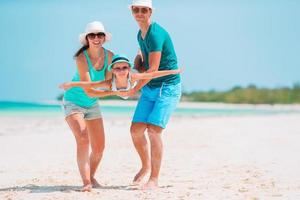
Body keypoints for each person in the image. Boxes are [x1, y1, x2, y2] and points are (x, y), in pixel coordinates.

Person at [123, 0, 182, 189]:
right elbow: (142, 57)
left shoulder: (156, 33)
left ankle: (154, 179)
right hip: (150, 87)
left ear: (150, 12)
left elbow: (154, 69)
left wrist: (133, 88)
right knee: (135, 130)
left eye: (144, 10)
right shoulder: (140, 34)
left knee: (153, 131)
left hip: (167, 87)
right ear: (132, 11)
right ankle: (145, 165)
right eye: (136, 10)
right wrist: (133, 66)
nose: (139, 13)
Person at [61, 21, 115, 192]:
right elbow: (88, 89)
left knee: (99, 147)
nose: (96, 38)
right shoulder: (81, 57)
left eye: (100, 35)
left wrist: (116, 86)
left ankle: (91, 176)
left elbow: (107, 84)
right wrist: (114, 91)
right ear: (87, 39)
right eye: (92, 35)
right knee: (83, 139)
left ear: (104, 38)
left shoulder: (110, 56)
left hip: (92, 104)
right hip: (73, 101)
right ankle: (86, 182)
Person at [59, 54, 181, 99]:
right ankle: (138, 54)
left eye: (124, 67)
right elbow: (90, 84)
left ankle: (139, 52)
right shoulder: (109, 83)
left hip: (134, 76)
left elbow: (152, 74)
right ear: (112, 70)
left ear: (128, 68)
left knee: (141, 68)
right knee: (139, 69)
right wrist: (71, 84)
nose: (121, 70)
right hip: (124, 85)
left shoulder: (132, 76)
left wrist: (172, 71)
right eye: (117, 68)